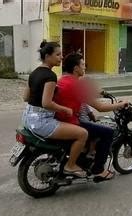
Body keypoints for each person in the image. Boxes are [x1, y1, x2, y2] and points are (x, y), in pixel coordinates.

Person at [54, 53, 128, 182]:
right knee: (107, 132)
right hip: (71, 121)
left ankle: (85, 157)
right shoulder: (76, 85)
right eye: (83, 65)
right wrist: (120, 105)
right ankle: (98, 169)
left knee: (94, 127)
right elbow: (100, 107)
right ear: (76, 68)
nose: (85, 67)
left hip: (60, 119)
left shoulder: (62, 79)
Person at [22, 40, 88, 178]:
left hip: (28, 118)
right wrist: (65, 110)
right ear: (47, 56)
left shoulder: (34, 72)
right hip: (42, 121)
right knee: (82, 134)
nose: (61, 58)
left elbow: (26, 97)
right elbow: (46, 103)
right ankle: (70, 166)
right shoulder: (50, 76)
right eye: (58, 55)